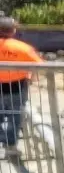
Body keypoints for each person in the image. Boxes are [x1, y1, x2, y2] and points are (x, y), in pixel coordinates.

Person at [0, 14, 39, 150]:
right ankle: (11, 144)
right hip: (16, 88)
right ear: (13, 31)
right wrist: (31, 76)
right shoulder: (23, 48)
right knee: (15, 116)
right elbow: (40, 65)